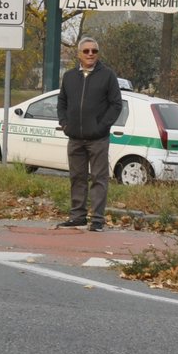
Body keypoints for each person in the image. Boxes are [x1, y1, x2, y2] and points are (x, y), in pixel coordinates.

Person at [56, 37, 123, 232]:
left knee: (99, 179)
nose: (90, 54)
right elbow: (62, 102)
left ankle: (97, 220)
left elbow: (116, 104)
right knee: (77, 177)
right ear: (79, 54)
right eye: (86, 51)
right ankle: (77, 216)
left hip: (98, 139)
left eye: (94, 51)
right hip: (75, 137)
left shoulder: (108, 76)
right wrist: (65, 124)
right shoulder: (69, 77)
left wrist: (102, 127)